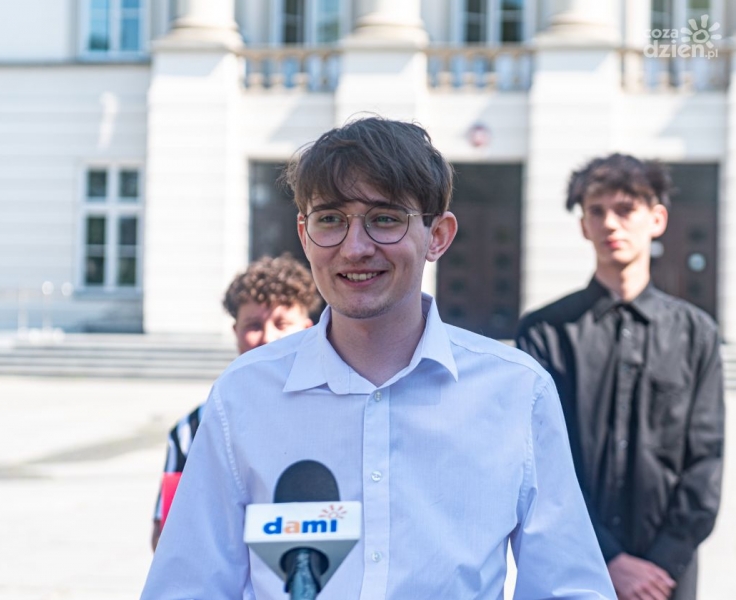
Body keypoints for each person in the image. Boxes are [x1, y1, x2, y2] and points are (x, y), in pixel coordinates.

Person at [142, 117, 615, 598]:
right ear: (304, 234)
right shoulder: (245, 395)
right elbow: (186, 587)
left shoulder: (515, 392)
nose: (355, 248)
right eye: (331, 219)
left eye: (385, 218)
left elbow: (569, 587)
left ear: (438, 235)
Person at [516, 154, 724, 600]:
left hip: (664, 579)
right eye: (596, 211)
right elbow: (537, 458)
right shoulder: (544, 332)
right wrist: (607, 558)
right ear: (583, 226)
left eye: (626, 209)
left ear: (657, 219)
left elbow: (705, 464)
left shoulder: (696, 334)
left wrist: (659, 565)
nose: (610, 223)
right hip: (572, 566)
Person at [151, 254, 320, 550]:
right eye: (253, 325)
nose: (268, 338)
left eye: (281, 323)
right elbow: (167, 537)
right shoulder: (193, 429)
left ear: (308, 330)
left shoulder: (334, 415)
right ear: (235, 332)